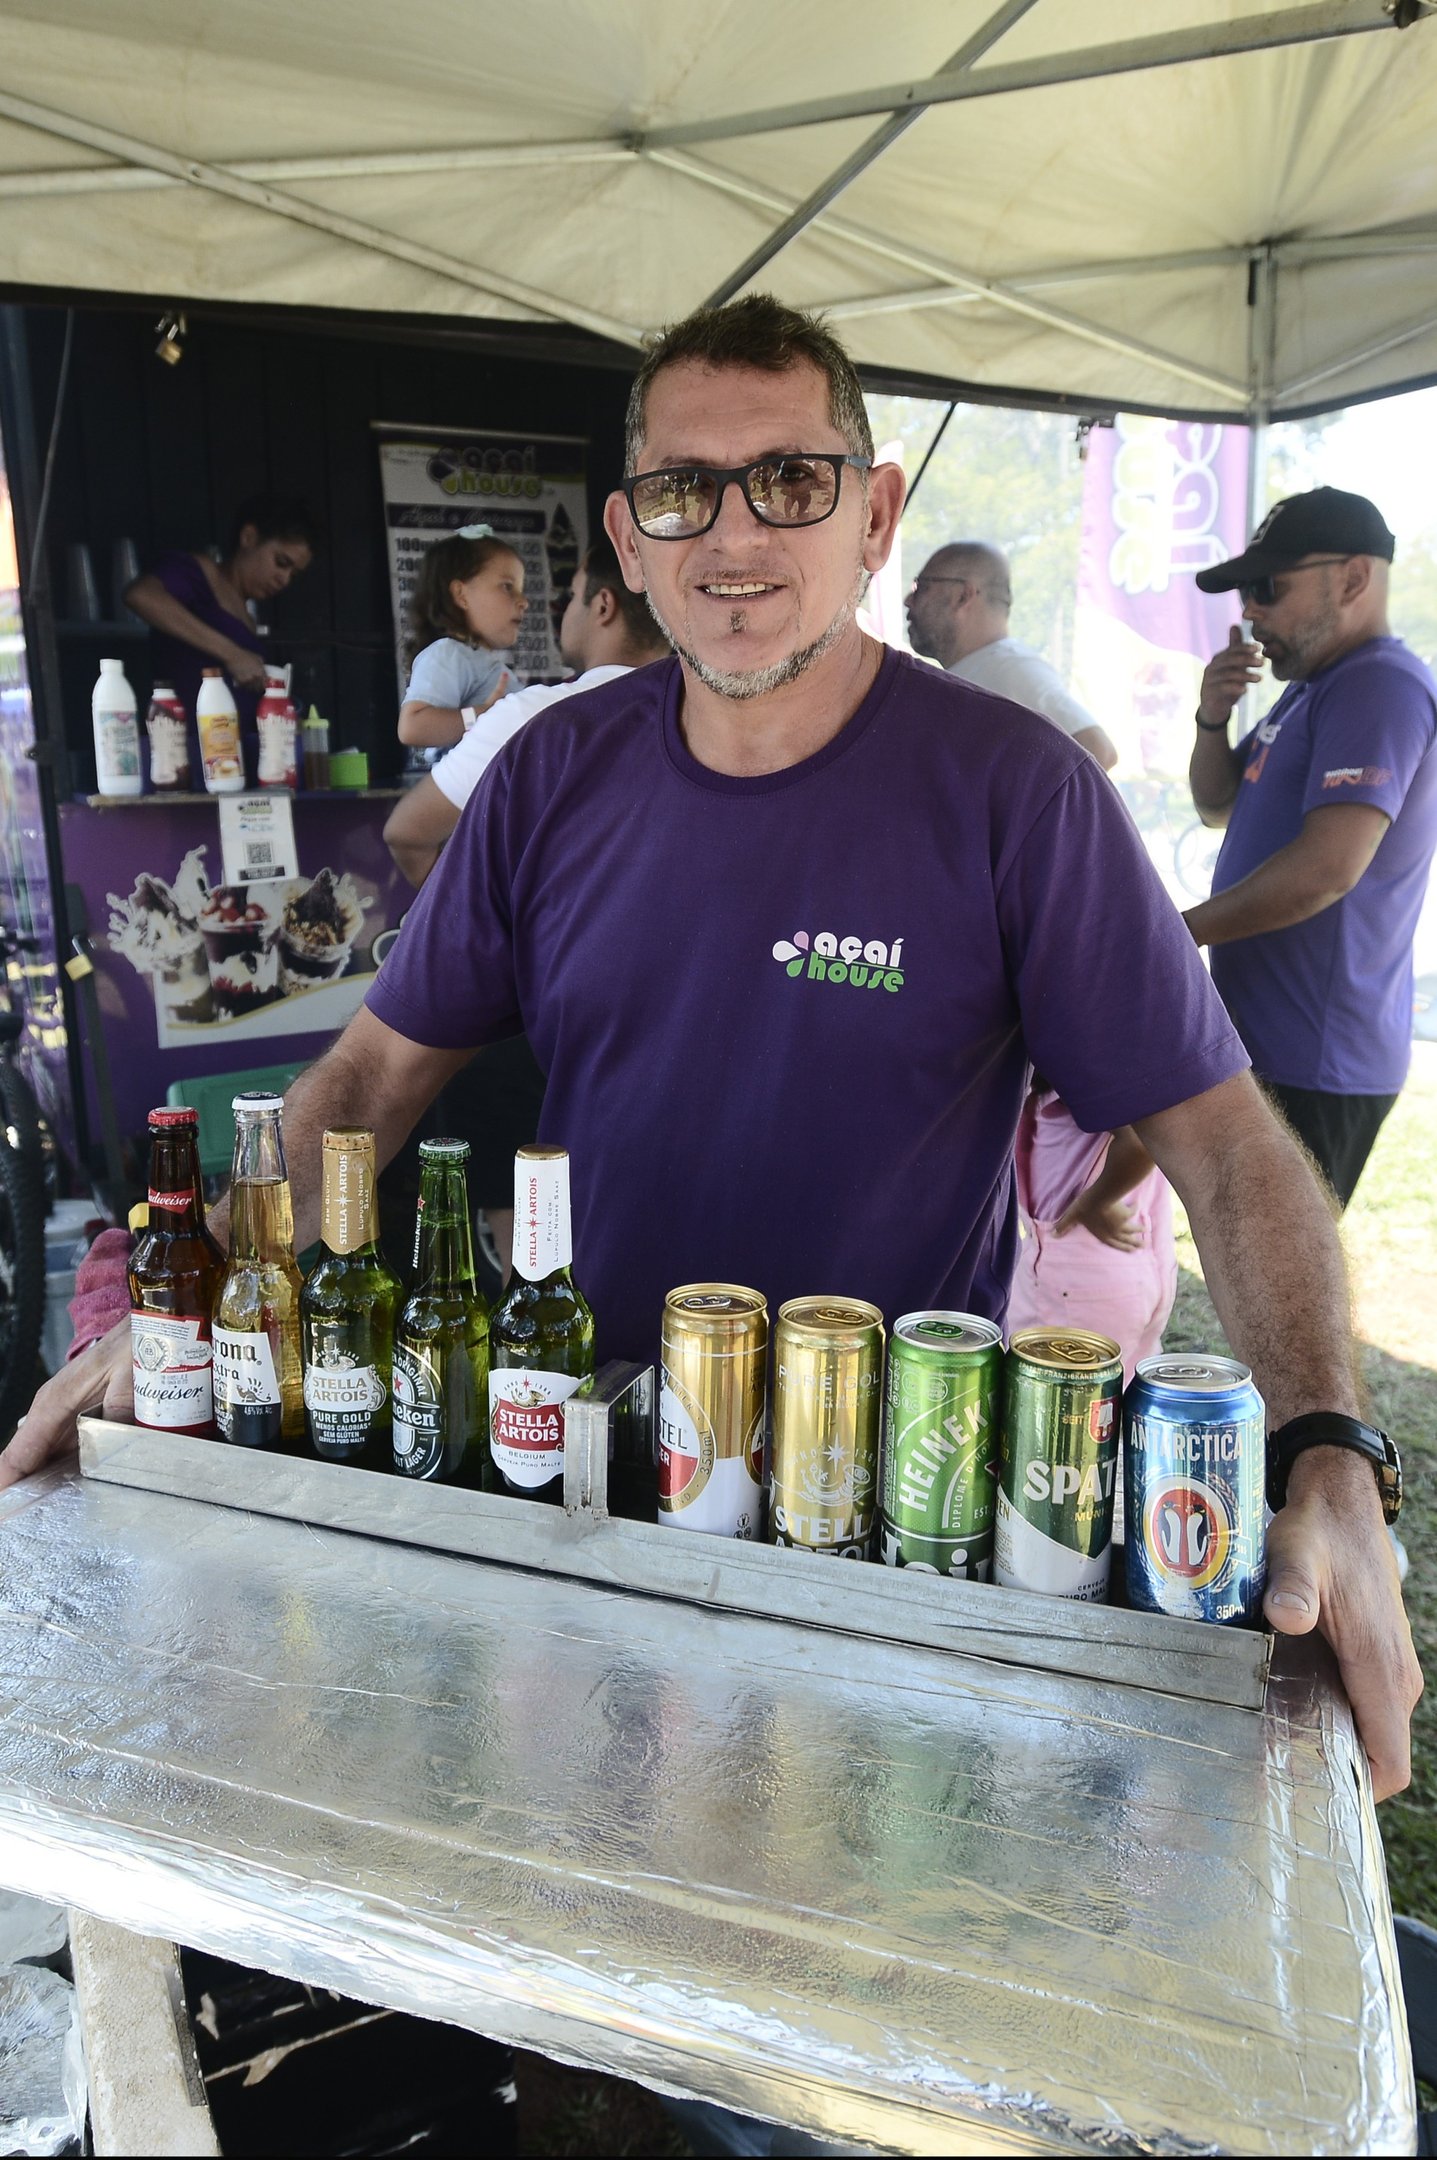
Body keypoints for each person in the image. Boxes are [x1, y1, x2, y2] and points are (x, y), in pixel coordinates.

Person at [5, 297, 1419, 1814]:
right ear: (626, 533)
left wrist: (1326, 1449)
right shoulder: (552, 772)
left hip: (889, 1516)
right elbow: (359, 1089)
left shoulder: (1014, 795)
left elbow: (1225, 1142)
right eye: (685, 490)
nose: (735, 537)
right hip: (588, 1483)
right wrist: (181, 1311)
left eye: (792, 481)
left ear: (874, 515)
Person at [1186, 486, 1437, 1208]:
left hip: (1316, 1059)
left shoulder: (1378, 686)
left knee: (1282, 1294)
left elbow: (1327, 870)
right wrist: (1211, 719)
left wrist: (1178, 936)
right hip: (1273, 1043)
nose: (1249, 610)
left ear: (1352, 578)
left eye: (1267, 587)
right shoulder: (1314, 688)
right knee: (1251, 1273)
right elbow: (1214, 806)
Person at [383, 536, 672, 887]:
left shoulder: (532, 717)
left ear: (602, 606)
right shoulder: (717, 717)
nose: (525, 603)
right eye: (507, 587)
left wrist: (477, 926)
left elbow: (407, 834)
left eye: (570, 596)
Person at [123, 494, 317, 767]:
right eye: (281, 562)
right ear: (249, 537)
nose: (284, 579)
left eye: (293, 574)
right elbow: (141, 596)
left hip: (233, 760)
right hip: (185, 757)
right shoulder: (199, 573)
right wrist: (232, 654)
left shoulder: (246, 616)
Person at [1008, 1086, 1176, 1384]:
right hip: (1143, 1264)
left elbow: (1137, 1144)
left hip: (1076, 1275)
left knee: (1054, 1411)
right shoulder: (1144, 1059)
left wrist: (1093, 1201)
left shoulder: (1078, 1060)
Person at [904, 541, 1119, 769]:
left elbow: (1098, 750)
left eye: (922, 586)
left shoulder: (1013, 671)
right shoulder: (990, 671)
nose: (908, 600)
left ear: (962, 596)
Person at [396, 525, 526, 752]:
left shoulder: (474, 659)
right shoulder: (448, 653)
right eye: (507, 586)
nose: (523, 601)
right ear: (461, 595)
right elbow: (412, 726)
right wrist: (480, 716)